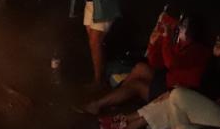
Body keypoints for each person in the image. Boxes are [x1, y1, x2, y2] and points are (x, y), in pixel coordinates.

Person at [99, 28, 220, 129]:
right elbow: (209, 83)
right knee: (174, 96)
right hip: (216, 106)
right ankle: (131, 125)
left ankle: (129, 121)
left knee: (176, 95)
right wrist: (215, 58)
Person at [81, 11, 210, 115]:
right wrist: (153, 43)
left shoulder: (198, 50)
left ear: (193, 31)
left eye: (184, 27)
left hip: (176, 93)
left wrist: (166, 38)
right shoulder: (183, 44)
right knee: (141, 68)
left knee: (136, 85)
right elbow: (156, 63)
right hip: (168, 81)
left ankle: (98, 104)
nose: (180, 29)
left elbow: (171, 63)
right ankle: (114, 99)